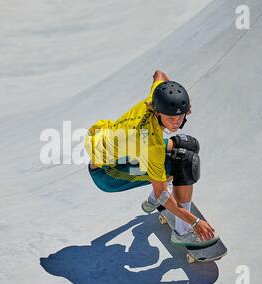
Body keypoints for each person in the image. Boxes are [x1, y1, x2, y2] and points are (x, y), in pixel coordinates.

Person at [84, 70, 218, 247]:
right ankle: (183, 233)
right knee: (182, 163)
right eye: (171, 118)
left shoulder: (156, 98)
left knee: (189, 145)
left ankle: (151, 202)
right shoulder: (150, 145)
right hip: (109, 174)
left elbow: (159, 75)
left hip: (116, 149)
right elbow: (163, 195)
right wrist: (195, 222)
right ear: (157, 112)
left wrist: (178, 105)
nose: (177, 122)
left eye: (181, 116)